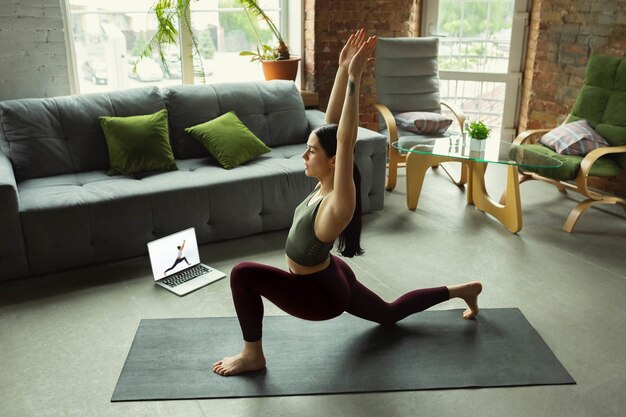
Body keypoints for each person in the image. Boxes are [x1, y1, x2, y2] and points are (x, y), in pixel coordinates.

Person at [212, 29, 482, 377]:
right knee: (387, 314)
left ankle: (253, 355)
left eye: (311, 152)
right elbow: (332, 127)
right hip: (333, 275)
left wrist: (356, 77)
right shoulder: (325, 183)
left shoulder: (338, 204)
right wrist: (342, 70)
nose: (303, 156)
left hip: (318, 295)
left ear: (333, 161)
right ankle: (463, 290)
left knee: (243, 274)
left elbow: (345, 138)